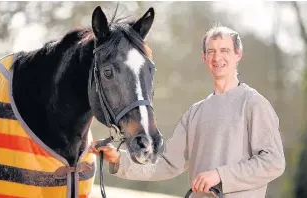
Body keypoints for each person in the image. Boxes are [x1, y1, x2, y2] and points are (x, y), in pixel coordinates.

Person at [90, 24, 286, 198]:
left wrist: (220, 175)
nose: (217, 57)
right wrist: (120, 159)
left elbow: (273, 162)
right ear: (204, 57)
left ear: (238, 55)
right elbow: (167, 163)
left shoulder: (254, 104)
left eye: (224, 50)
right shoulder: (195, 113)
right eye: (211, 51)